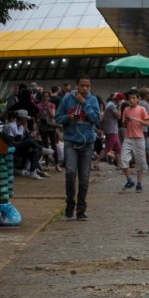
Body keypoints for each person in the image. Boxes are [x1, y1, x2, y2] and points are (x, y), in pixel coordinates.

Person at [56, 74, 101, 221]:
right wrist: (69, 118)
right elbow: (58, 117)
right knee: (70, 173)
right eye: (82, 85)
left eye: (88, 85)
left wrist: (84, 103)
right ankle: (70, 202)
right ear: (77, 85)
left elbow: (96, 119)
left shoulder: (92, 99)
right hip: (70, 141)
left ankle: (81, 209)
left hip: (87, 143)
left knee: (84, 178)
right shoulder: (67, 99)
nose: (85, 88)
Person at [120, 89, 149, 192]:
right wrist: (126, 121)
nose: (131, 100)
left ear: (138, 99)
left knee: (140, 161)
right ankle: (129, 180)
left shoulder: (142, 109)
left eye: (133, 98)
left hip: (139, 138)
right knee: (123, 159)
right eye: (129, 98)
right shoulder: (126, 109)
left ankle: (139, 183)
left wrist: (138, 120)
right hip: (128, 137)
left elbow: (147, 123)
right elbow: (123, 124)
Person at [100, 92, 123, 169]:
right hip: (111, 130)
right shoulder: (112, 106)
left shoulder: (109, 104)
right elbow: (118, 116)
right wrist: (119, 107)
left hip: (113, 129)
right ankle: (96, 161)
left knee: (118, 147)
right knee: (108, 147)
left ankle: (119, 165)